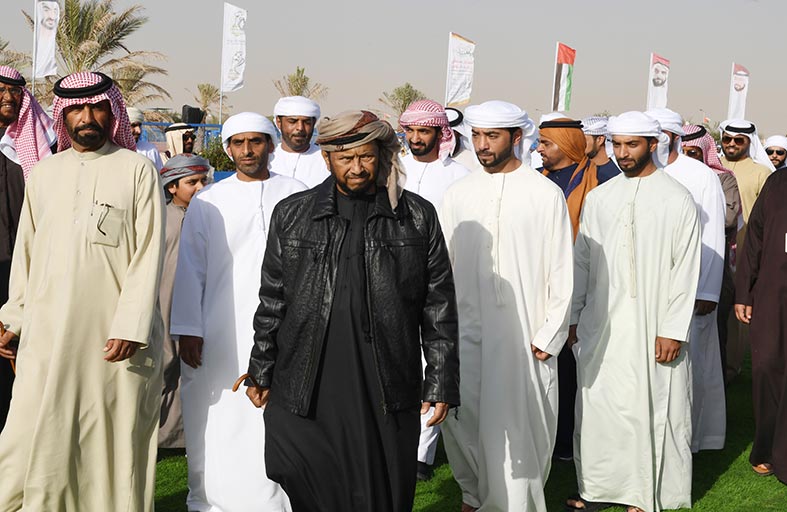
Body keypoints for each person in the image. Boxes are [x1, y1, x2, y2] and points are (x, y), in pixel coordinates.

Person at [242, 109, 459, 511]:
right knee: (302, 469)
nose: (357, 168)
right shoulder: (292, 214)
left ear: (380, 156)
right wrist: (261, 367)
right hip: (308, 371)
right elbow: (272, 299)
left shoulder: (415, 216)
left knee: (380, 482)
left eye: (366, 157)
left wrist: (441, 378)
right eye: (346, 158)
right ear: (327, 159)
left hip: (384, 373)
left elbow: (438, 304)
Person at [0, 71, 165, 511]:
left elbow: (148, 252)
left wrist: (130, 326)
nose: (86, 117)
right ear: (63, 115)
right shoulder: (44, 174)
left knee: (109, 437)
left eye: (96, 107)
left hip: (113, 337)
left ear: (112, 113)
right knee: (27, 432)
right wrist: (14, 317)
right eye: (76, 108)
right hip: (47, 332)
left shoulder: (137, 170)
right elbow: (27, 253)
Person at [440, 100, 573, 512]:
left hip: (525, 332)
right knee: (465, 418)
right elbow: (441, 267)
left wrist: (551, 332)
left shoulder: (545, 193)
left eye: (492, 136)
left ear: (516, 137)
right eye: (477, 135)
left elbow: (561, 267)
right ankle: (473, 494)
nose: (482, 145)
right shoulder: (458, 193)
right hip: (466, 326)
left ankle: (516, 504)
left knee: (521, 422)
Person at [170, 112, 305, 512]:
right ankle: (213, 497)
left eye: (256, 141)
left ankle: (279, 499)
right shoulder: (209, 201)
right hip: (221, 325)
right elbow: (190, 268)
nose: (248, 150)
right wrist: (189, 328)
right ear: (228, 149)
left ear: (271, 145)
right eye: (239, 143)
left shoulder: (297, 193)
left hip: (287, 323)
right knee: (219, 412)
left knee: (278, 413)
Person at [568, 111, 700, 512]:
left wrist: (673, 329)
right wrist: (573, 316)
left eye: (632, 144)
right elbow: (582, 262)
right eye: (617, 144)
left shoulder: (677, 199)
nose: (622, 153)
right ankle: (596, 489)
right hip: (603, 324)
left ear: (653, 145)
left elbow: (685, 269)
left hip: (653, 325)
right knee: (599, 408)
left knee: (649, 406)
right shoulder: (600, 198)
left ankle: (644, 494)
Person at [646, 108, 726, 452]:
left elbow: (713, 235)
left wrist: (707, 289)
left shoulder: (699, 175)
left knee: (693, 366)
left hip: (692, 286)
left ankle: (694, 439)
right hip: (651, 287)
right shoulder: (641, 173)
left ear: (674, 137)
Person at [398, 98, 469, 480]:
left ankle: (421, 454)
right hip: (394, 277)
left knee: (433, 360)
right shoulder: (393, 170)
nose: (416, 138)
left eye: (423, 131)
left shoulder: (460, 176)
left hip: (440, 277)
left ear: (441, 133)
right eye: (410, 131)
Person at [0, 65, 55, 432]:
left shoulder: (38, 147)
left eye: (15, 91)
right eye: (1, 90)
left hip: (28, 269)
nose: (9, 97)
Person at [734, 168, 787, 482]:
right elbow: (754, 238)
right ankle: (766, 448)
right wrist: (745, 291)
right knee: (766, 366)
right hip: (772, 293)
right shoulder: (778, 183)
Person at [157, 154, 210, 449]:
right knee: (166, 360)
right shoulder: (161, 218)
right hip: (164, 299)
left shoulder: (209, 215)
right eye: (192, 182)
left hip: (200, 301)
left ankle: (180, 436)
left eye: (204, 180)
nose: (200, 187)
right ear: (172, 187)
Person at [681, 124, 742, 384]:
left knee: (713, 335)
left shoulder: (722, 179)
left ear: (704, 152)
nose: (686, 157)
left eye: (693, 153)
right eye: (682, 151)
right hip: (678, 264)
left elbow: (728, 218)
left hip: (714, 265)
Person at [718, 119, 773, 380]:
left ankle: (731, 367)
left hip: (744, 247)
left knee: (736, 307)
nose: (731, 144)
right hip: (714, 245)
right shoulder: (712, 166)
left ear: (748, 142)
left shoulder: (762, 173)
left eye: (738, 140)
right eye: (726, 139)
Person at [537, 115, 619, 238]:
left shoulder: (600, 181)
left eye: (546, 144)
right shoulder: (535, 178)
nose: (538, 149)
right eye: (540, 143)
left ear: (567, 145)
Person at [269, 95, 329, 187]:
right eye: (292, 121)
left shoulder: (326, 160)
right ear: (279, 122)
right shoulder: (266, 158)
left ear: (313, 123)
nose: (300, 128)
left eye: (307, 122)